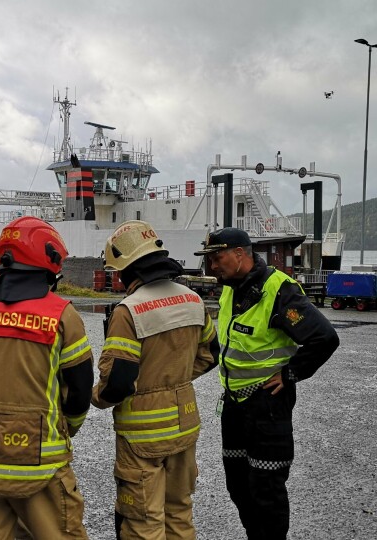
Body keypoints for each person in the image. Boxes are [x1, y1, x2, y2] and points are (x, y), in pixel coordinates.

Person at [0, 216, 93, 538]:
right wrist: (68, 427)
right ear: (49, 262)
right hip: (39, 465)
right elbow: (80, 389)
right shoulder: (61, 315)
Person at [194, 228, 339, 540]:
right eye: (210, 260)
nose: (213, 266)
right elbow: (229, 342)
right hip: (235, 404)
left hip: (267, 405)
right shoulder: (231, 289)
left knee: (266, 489)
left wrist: (290, 374)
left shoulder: (278, 290)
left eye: (217, 258)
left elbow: (325, 338)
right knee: (238, 483)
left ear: (240, 254)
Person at [93, 220, 217, 539]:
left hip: (143, 436)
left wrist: (95, 398)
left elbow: (118, 383)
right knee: (179, 512)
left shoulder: (128, 311)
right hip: (185, 424)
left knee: (143, 521)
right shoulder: (192, 299)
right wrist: (173, 380)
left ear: (126, 269)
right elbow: (211, 355)